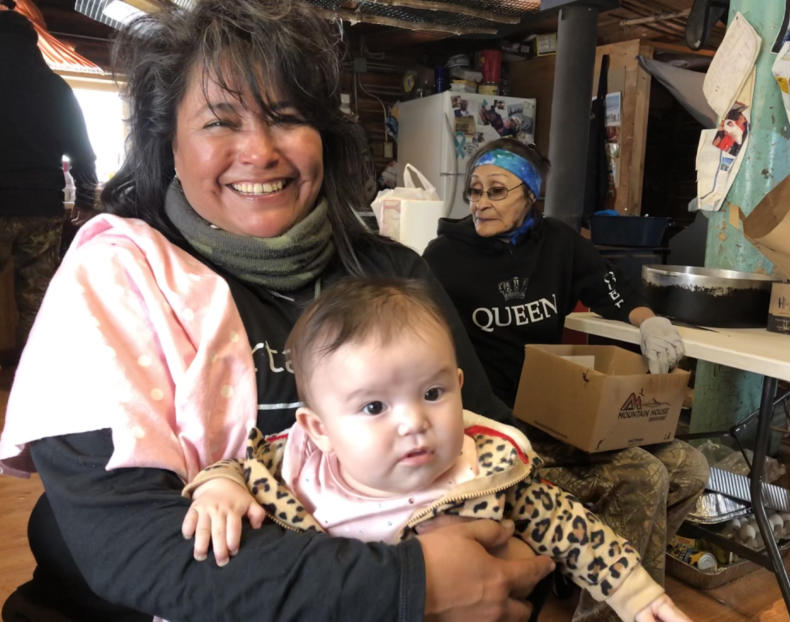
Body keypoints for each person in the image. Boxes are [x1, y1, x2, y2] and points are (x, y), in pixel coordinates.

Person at [0, 2, 555, 621]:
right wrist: (412, 584)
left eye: (287, 118)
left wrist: (507, 566)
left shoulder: (394, 277)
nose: (260, 151)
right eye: (219, 122)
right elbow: (134, 546)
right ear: (169, 143)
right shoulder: (113, 279)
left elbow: (496, 452)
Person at [181, 277, 693, 622]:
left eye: (432, 393)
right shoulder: (294, 468)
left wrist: (635, 593)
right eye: (374, 407)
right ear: (318, 430)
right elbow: (242, 466)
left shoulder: (487, 471)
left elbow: (574, 530)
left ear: (459, 387)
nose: (414, 423)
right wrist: (220, 486)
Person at [423, 138, 709, 622]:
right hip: (498, 427)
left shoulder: (558, 243)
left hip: (558, 415)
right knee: (643, 475)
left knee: (691, 469)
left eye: (497, 190)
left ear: (530, 196)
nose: (480, 202)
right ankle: (612, 607)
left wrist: (648, 321)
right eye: (475, 190)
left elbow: (608, 286)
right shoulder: (443, 257)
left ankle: (592, 582)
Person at [0, 0, 97, 363]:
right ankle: (31, 373)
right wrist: (86, 199)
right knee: (37, 298)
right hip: (42, 207)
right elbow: (82, 150)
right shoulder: (55, 87)